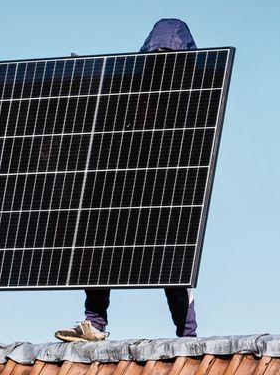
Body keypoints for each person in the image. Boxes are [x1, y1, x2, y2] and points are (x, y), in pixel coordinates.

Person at [54, 18, 200, 343]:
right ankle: (95, 323)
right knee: (101, 244)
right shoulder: (130, 87)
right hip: (123, 185)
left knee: (172, 261)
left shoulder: (196, 95)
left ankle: (188, 336)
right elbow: (102, 116)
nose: (163, 63)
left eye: (170, 56)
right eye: (157, 55)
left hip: (166, 191)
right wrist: (78, 86)